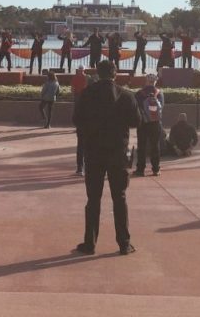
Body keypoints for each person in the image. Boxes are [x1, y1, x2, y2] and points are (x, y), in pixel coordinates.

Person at [73, 60, 140, 255]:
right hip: (117, 152)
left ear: (97, 73)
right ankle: (124, 243)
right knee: (119, 197)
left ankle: (90, 243)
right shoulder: (126, 95)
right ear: (115, 74)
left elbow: (76, 119)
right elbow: (136, 121)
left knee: (93, 198)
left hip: (93, 151)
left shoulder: (87, 94)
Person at [133, 75, 164, 177]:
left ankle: (140, 169)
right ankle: (156, 169)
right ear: (155, 81)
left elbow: (136, 108)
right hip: (155, 123)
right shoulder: (159, 94)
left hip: (143, 123)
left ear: (146, 81)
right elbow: (161, 107)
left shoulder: (139, 93)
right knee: (155, 145)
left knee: (141, 146)